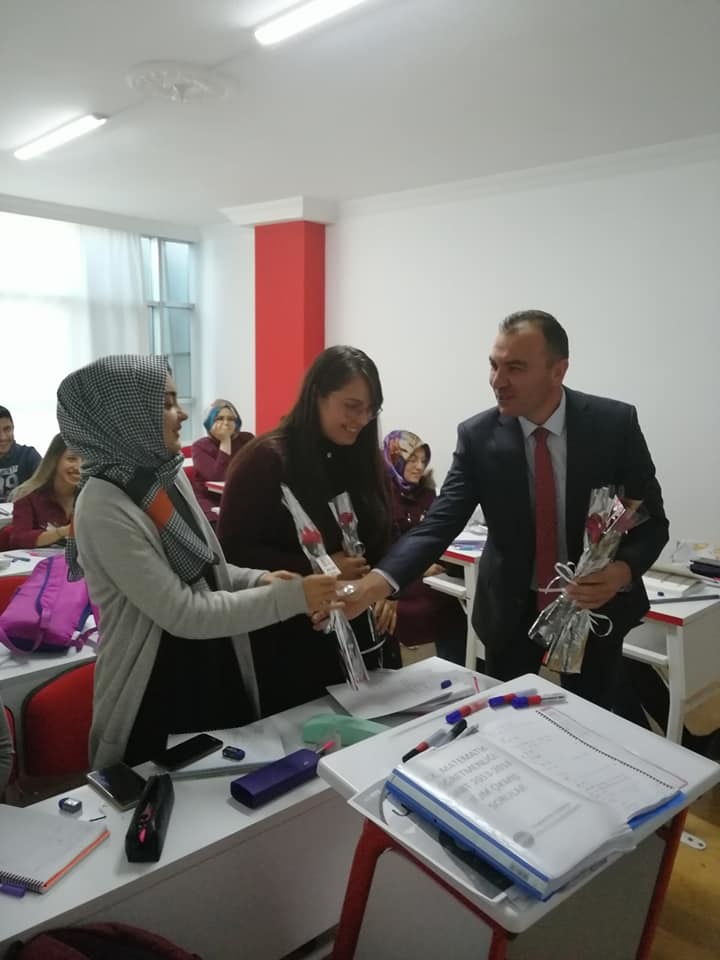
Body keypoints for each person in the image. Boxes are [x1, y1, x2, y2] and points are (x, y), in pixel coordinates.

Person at [343, 310, 669, 712]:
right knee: (507, 720)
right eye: (494, 365)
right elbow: (439, 523)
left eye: (515, 368)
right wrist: (376, 584)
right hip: (511, 612)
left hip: (594, 609)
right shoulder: (478, 436)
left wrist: (621, 572)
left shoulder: (613, 426)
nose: (497, 381)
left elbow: (653, 521)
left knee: (591, 719)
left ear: (558, 370)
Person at [56, 355, 340, 768]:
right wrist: (294, 597)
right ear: (126, 415)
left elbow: (208, 569)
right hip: (157, 687)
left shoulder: (165, 476)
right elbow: (183, 612)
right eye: (166, 403)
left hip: (213, 662)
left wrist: (258, 580)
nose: (183, 413)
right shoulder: (103, 504)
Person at [217, 345, 395, 716]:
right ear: (317, 395)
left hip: (366, 637)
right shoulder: (264, 460)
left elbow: (383, 537)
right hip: (293, 643)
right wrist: (321, 567)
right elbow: (233, 555)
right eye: (351, 406)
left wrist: (386, 588)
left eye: (370, 410)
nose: (361, 420)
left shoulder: (362, 457)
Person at [383, 429, 467, 665]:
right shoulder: (381, 495)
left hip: (430, 570)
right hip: (396, 575)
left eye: (423, 460)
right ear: (395, 459)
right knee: (442, 602)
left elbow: (438, 533)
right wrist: (420, 567)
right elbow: (383, 545)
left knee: (459, 599)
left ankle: (458, 665)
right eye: (412, 459)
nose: (419, 467)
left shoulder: (428, 493)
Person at [9, 434, 81, 548]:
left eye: (86, 460)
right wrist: (63, 531)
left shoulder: (92, 496)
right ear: (54, 460)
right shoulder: (27, 495)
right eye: (71, 459)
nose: (79, 467)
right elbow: (19, 538)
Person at [191, 399, 254, 522]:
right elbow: (219, 478)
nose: (226, 423)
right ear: (209, 422)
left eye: (230, 419)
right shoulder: (199, 446)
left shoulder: (247, 439)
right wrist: (225, 440)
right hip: (212, 499)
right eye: (219, 418)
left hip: (242, 495)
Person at [0, 406, 41, 503]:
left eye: (7, 429)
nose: (3, 437)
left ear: (13, 428)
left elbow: (48, 485)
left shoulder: (29, 456)